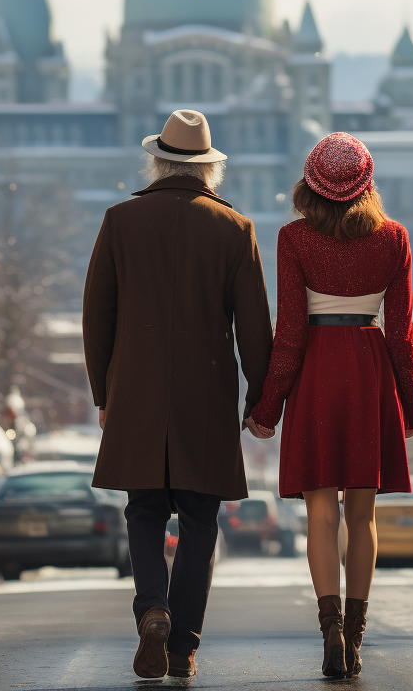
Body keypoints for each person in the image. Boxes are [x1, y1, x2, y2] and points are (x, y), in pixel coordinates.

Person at [84, 109, 273, 681]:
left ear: (157, 161)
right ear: (210, 169)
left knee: (143, 509)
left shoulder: (120, 220)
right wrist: (260, 399)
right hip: (205, 392)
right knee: (198, 517)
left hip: (136, 387)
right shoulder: (235, 229)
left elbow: (97, 315)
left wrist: (103, 390)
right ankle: (183, 644)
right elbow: (254, 327)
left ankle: (153, 609)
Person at [247, 132, 413, 679]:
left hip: (318, 371)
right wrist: (409, 405)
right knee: (362, 516)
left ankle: (330, 631)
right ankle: (357, 633)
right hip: (369, 372)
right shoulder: (393, 238)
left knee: (321, 514)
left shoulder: (293, 238)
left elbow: (291, 333)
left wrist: (267, 406)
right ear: (366, 182)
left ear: (311, 183)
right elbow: (402, 333)